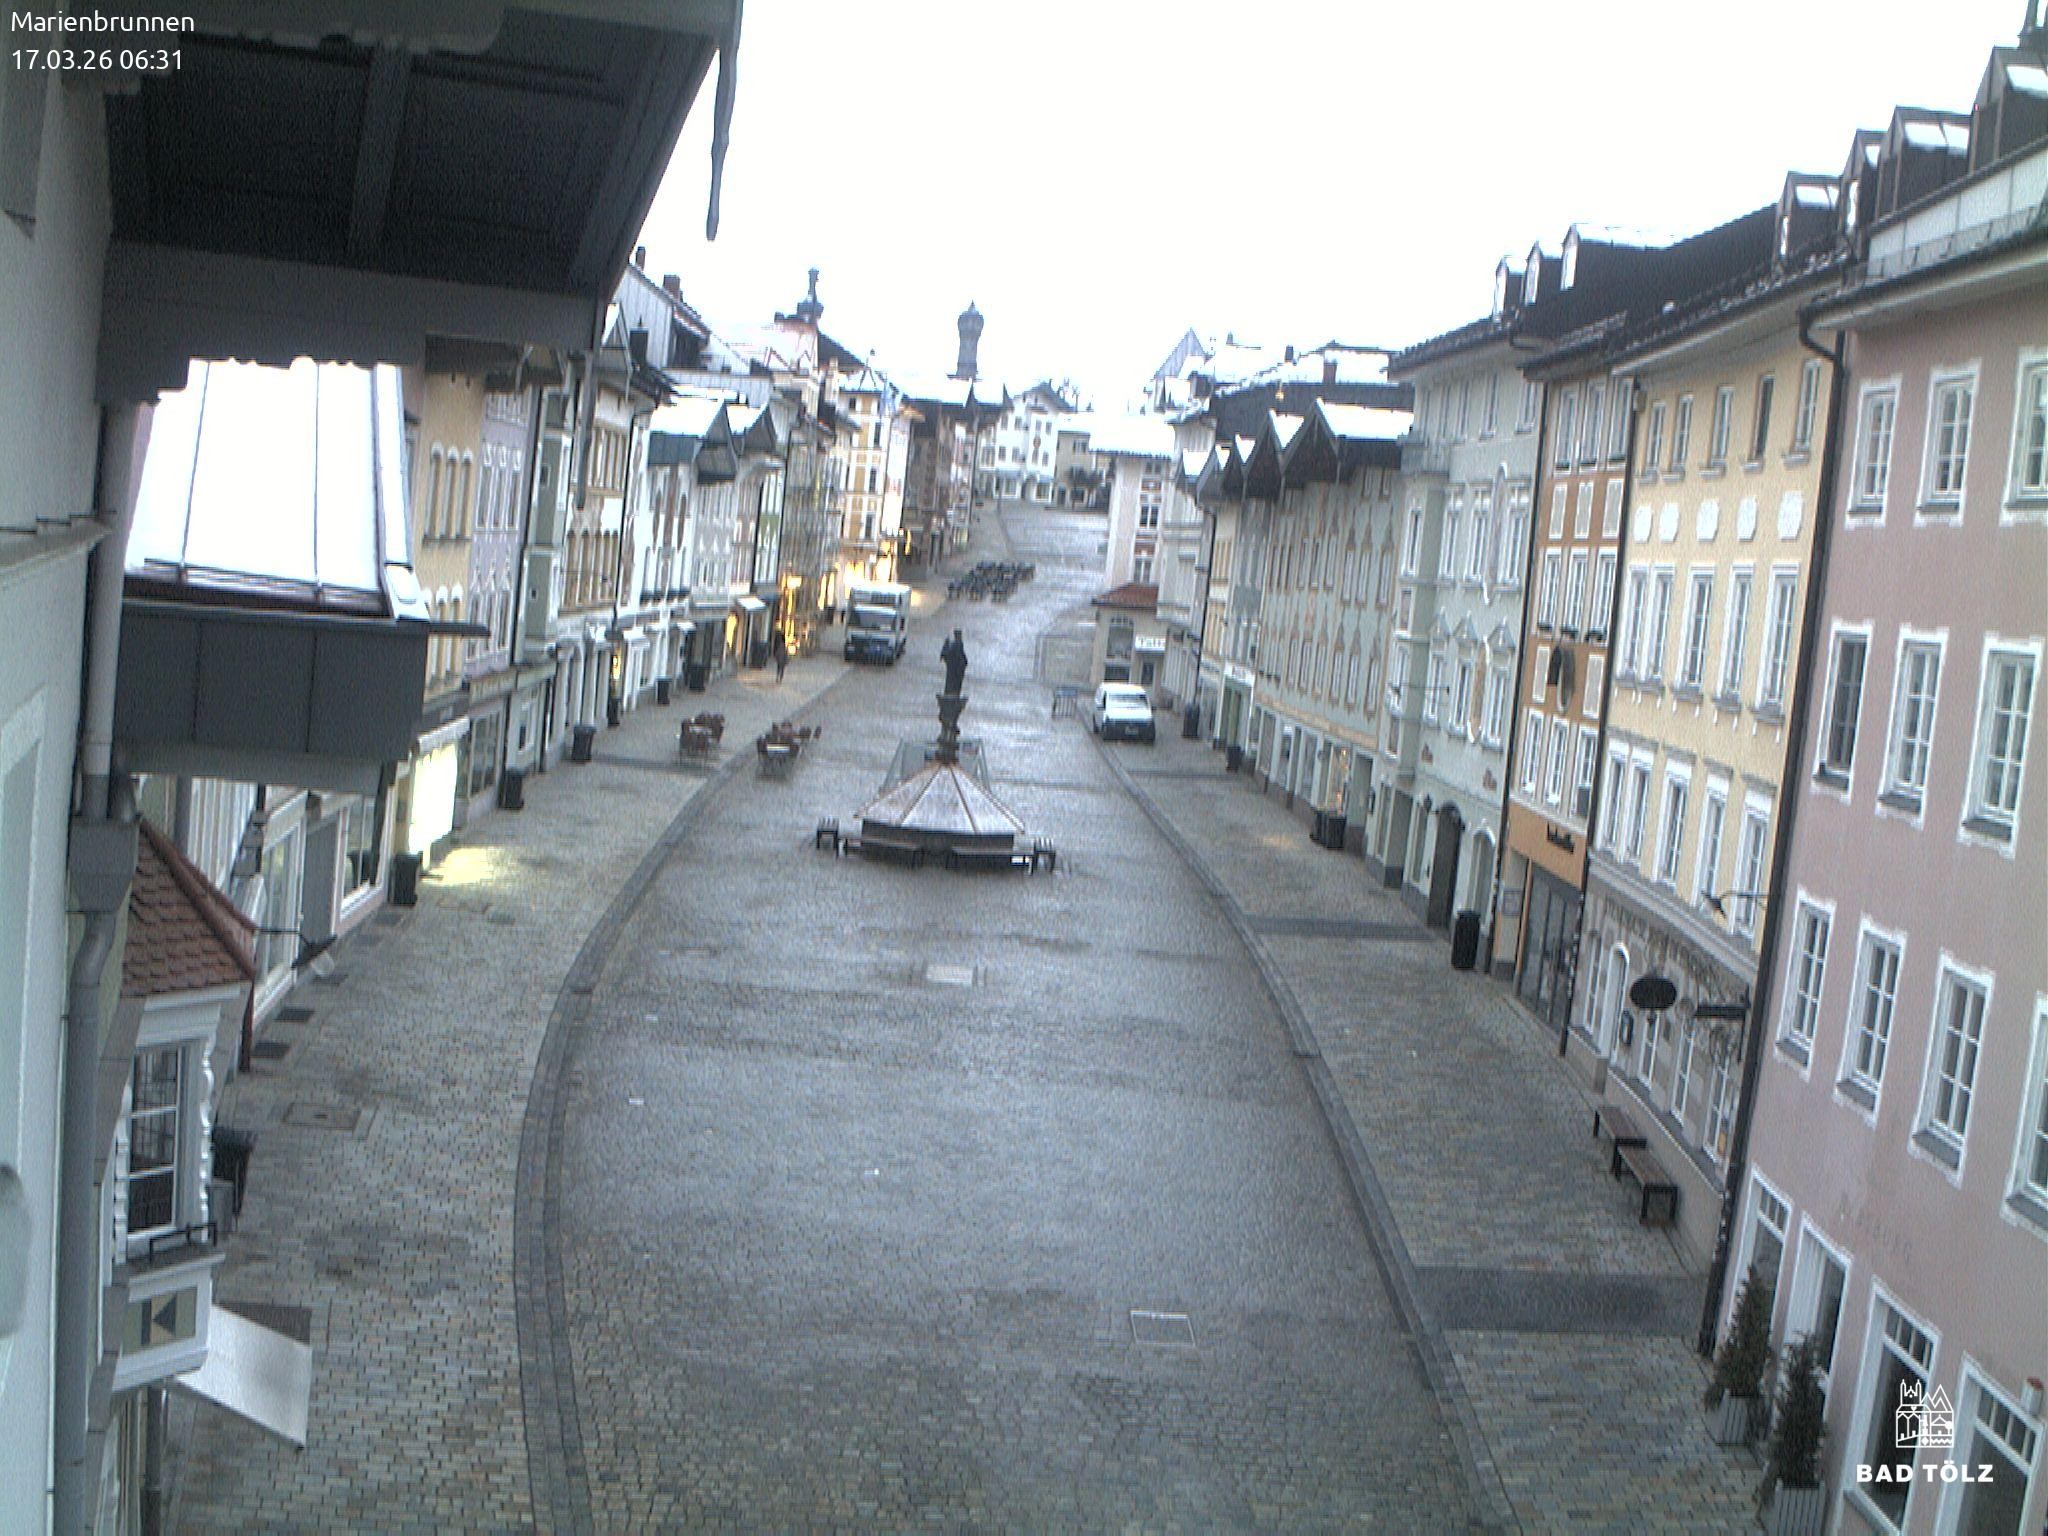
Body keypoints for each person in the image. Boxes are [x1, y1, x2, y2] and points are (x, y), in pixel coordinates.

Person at [940, 628, 968, 696]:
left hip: (955, 667)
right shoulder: (957, 644)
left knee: (952, 680)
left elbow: (961, 654)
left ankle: (951, 693)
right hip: (955, 667)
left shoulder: (956, 644)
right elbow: (959, 655)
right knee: (954, 681)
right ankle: (953, 693)